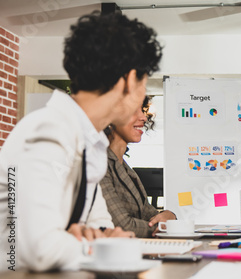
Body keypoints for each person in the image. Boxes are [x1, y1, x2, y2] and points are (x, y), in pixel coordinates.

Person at [0, 12, 162, 271]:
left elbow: (105, 229)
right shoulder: (48, 132)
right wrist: (93, 243)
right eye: (144, 83)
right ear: (130, 80)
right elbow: (41, 250)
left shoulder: (91, 143)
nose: (142, 101)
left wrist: (88, 239)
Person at [100, 96, 176, 238]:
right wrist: (163, 227)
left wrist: (169, 216)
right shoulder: (100, 164)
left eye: (142, 110)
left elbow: (149, 215)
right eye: (134, 110)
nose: (143, 117)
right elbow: (122, 226)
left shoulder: (125, 168)